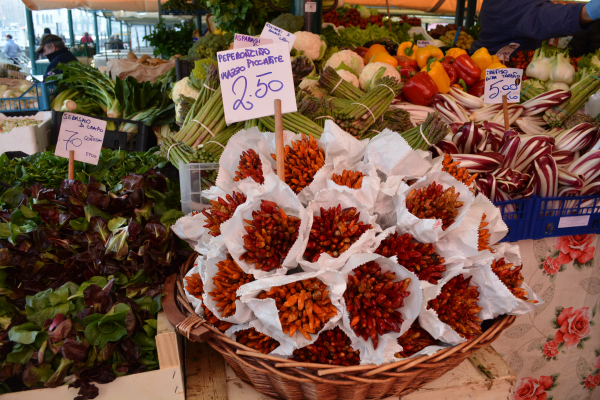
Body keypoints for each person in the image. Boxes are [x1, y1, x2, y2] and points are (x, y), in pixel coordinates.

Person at [471, 0, 600, 54]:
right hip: (498, 75)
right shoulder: (507, 3)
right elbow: (541, 17)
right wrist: (585, 12)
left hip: (510, 68)